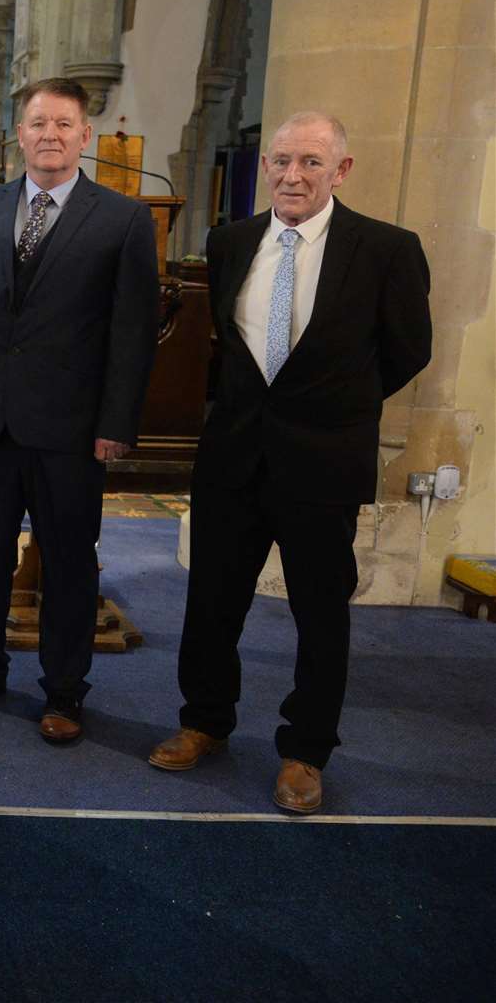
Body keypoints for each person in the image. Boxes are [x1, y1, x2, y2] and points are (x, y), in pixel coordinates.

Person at [148, 112, 431, 813]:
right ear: (265, 167)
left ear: (342, 170)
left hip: (322, 462)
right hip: (233, 458)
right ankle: (204, 722)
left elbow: (407, 351)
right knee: (212, 604)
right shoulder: (230, 242)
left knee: (319, 613)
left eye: (310, 162)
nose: (292, 175)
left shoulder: (387, 250)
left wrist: (335, 408)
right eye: (280, 161)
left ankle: (306, 750)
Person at [0, 77, 160, 744]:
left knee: (68, 559)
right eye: (36, 123)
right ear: (17, 135)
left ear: (85, 135)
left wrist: (117, 423)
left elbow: (132, 335)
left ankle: (64, 690)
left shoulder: (122, 219)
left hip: (73, 427)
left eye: (62, 124)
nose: (49, 135)